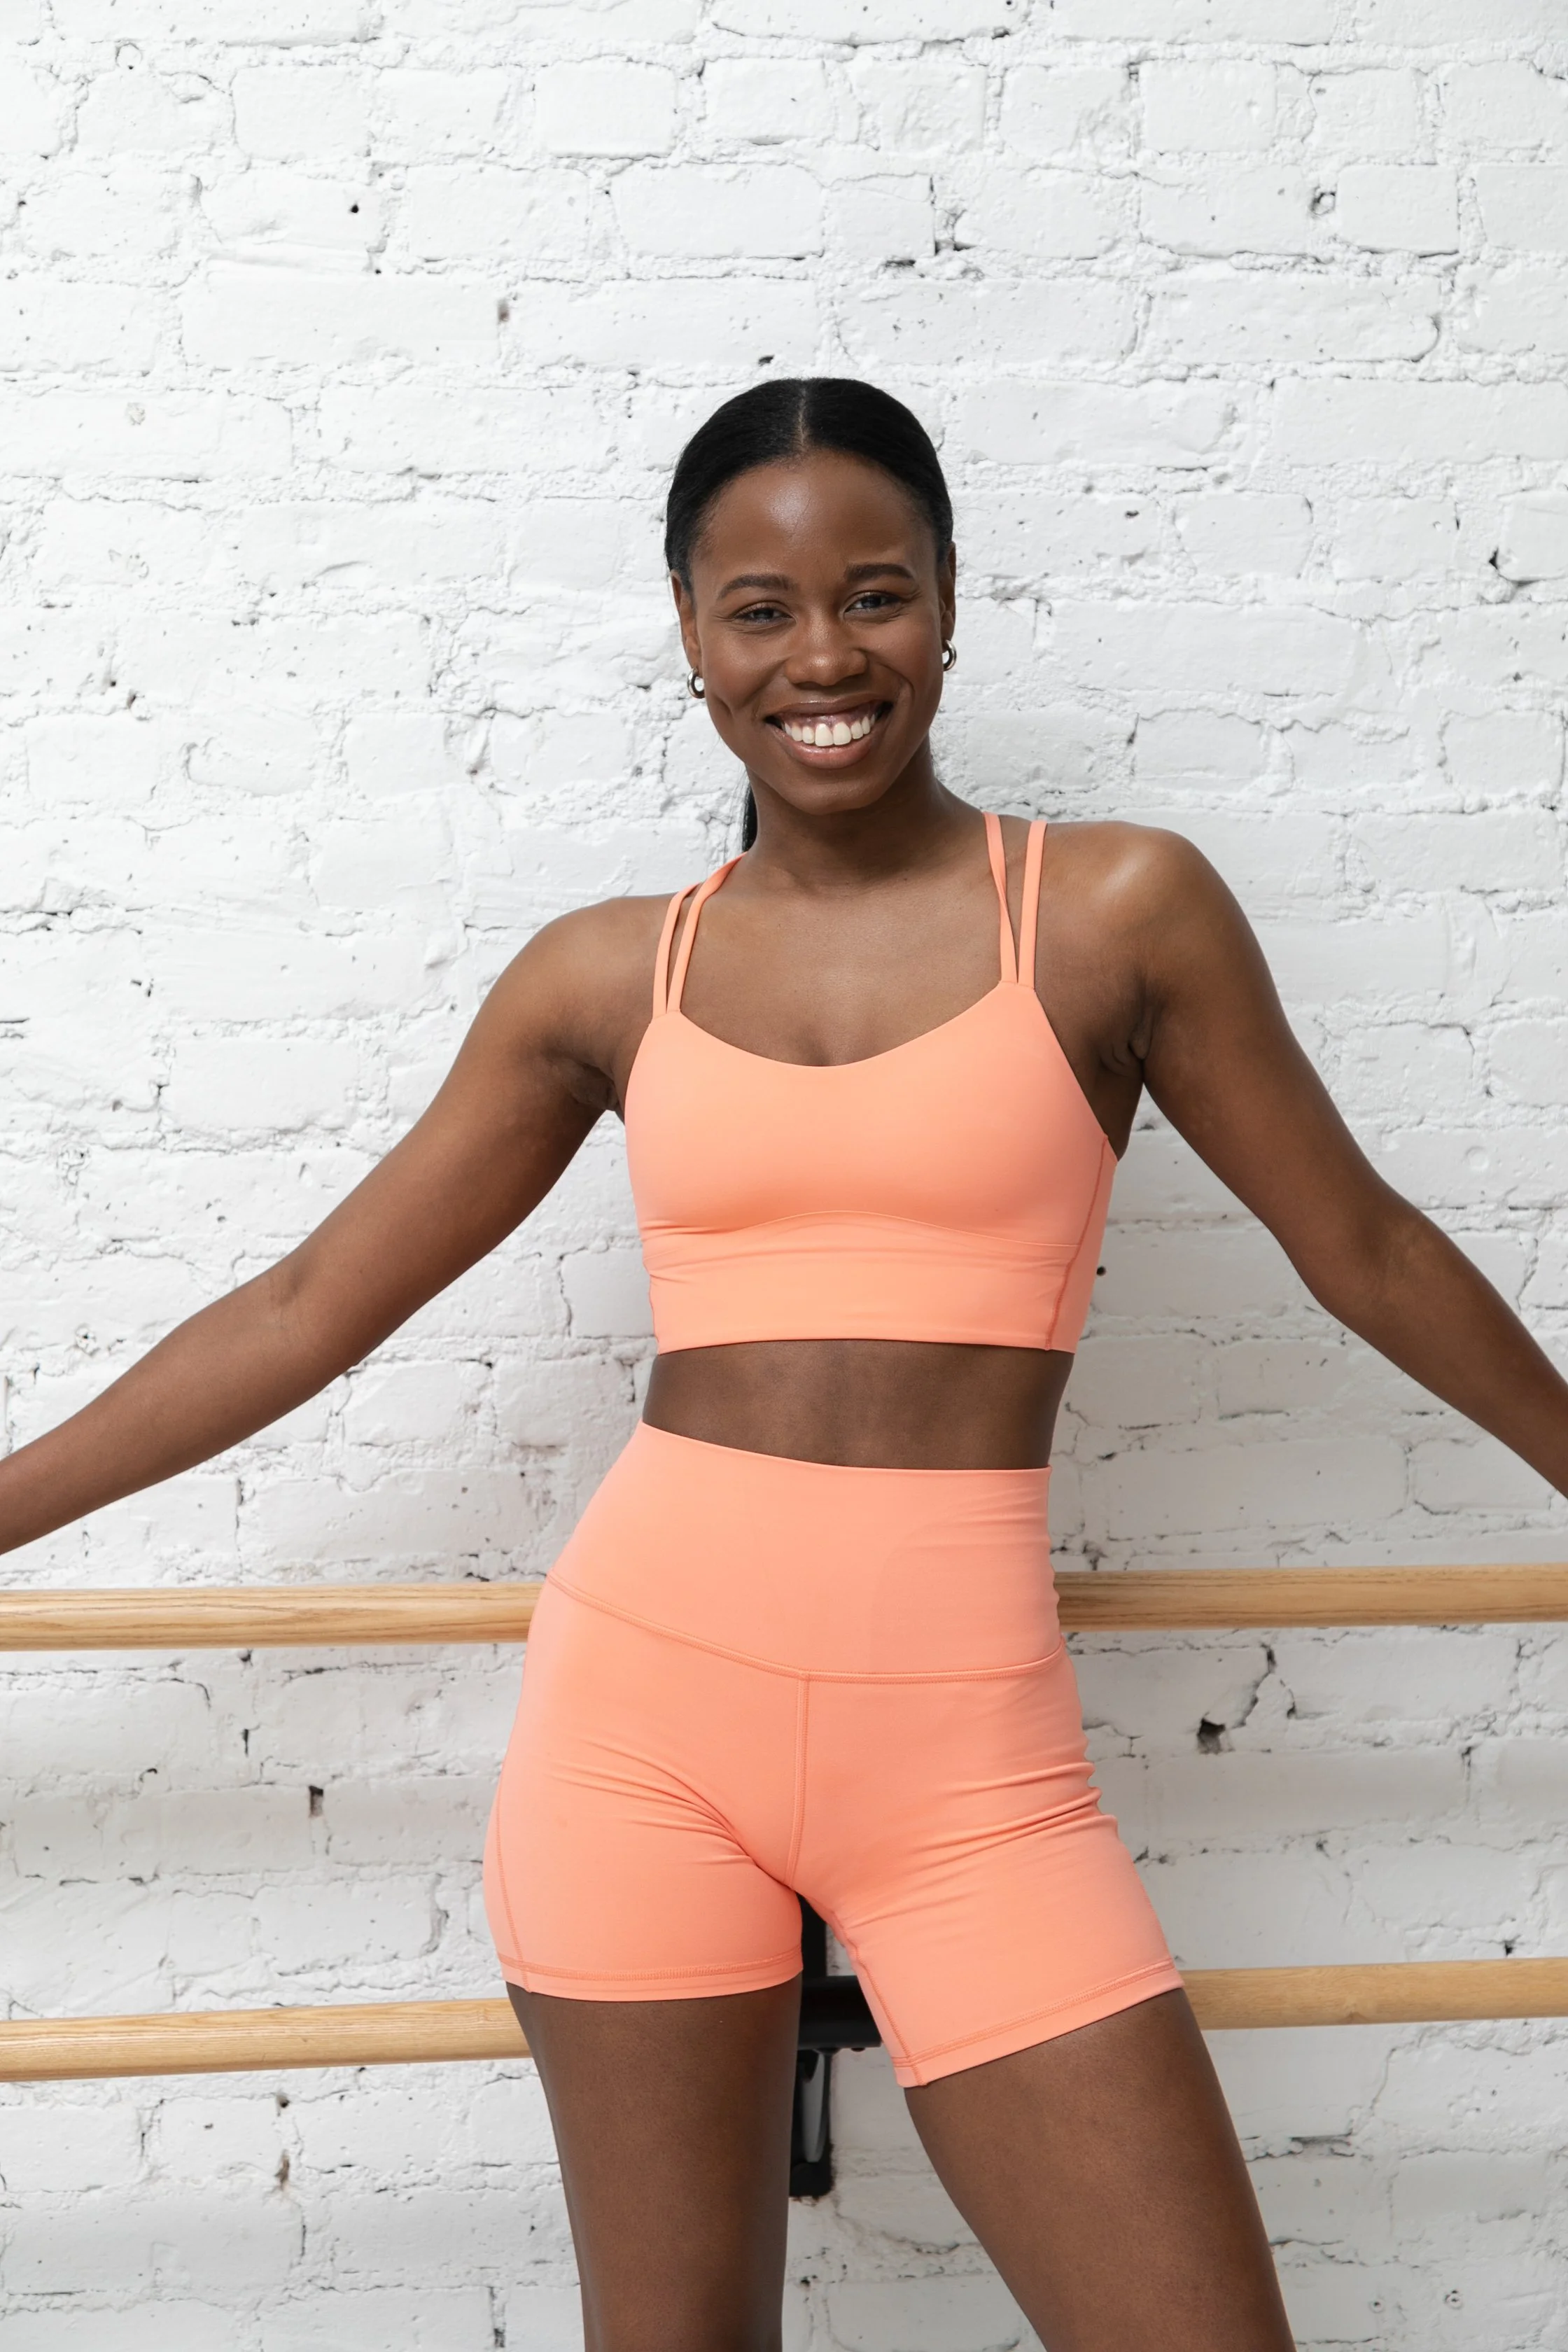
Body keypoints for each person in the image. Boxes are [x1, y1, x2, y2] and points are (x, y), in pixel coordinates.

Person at [4, 376, 1566, 2352]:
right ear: (688, 633)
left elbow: (1366, 1249)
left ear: (948, 608)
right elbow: (308, 1310)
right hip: (641, 1736)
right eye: (761, 608)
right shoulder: (603, 976)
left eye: (875, 596)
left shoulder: (1110, 914)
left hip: (971, 1766)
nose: (824, 657)